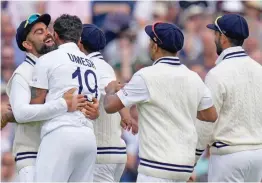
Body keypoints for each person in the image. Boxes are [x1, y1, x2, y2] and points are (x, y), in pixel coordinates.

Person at [103, 22, 218, 182]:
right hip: (183, 170)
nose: (148, 44)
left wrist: (110, 90)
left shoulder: (146, 76)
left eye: (151, 40)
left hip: (155, 170)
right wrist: (181, 107)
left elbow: (109, 106)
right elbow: (211, 115)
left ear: (156, 46)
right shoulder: (193, 77)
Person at [1, 13, 96, 182]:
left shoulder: (55, 64)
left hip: (56, 147)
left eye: (47, 29)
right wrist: (62, 104)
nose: (47, 34)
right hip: (31, 155)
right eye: (39, 32)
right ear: (27, 44)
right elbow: (22, 112)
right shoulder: (23, 74)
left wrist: (91, 110)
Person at [30, 14, 100, 182]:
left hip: (60, 133)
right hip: (88, 138)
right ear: (79, 37)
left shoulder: (47, 59)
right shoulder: (91, 63)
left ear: (55, 35)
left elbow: (35, 105)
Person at [205, 14, 262, 182]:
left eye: (216, 33)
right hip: (258, 154)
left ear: (223, 37)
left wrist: (191, 160)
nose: (214, 37)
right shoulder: (259, 70)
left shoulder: (216, 74)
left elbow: (207, 121)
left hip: (228, 156)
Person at [78, 24, 137, 182]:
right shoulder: (104, 65)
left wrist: (126, 116)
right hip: (111, 151)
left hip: (103, 152)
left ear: (79, 43)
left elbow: (115, 90)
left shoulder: (94, 66)